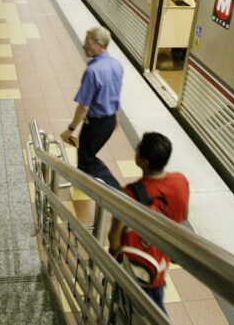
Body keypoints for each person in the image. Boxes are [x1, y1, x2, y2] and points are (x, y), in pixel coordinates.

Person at [108, 132, 189, 312]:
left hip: (136, 264)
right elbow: (183, 216)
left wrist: (114, 263)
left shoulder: (130, 194)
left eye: (138, 149)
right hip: (160, 263)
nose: (135, 150)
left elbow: (114, 237)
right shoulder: (180, 181)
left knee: (147, 311)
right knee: (153, 302)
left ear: (143, 162)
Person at [60, 26, 123, 190]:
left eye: (88, 42)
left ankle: (120, 194)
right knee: (84, 155)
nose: (84, 45)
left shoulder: (93, 71)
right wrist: (116, 117)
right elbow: (115, 94)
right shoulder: (116, 65)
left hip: (96, 123)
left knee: (87, 159)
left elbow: (84, 107)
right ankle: (83, 184)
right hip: (109, 121)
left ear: (100, 45)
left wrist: (70, 129)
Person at [168, 0, 190, 68]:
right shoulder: (169, 3)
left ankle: (182, 62)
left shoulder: (179, 1)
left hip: (181, 26)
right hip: (174, 27)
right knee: (178, 46)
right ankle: (177, 63)